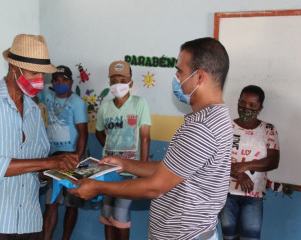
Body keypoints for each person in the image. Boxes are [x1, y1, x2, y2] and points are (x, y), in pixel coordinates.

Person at [70, 37, 233, 240]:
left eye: (180, 71)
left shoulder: (202, 127)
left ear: (200, 76)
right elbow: (171, 168)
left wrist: (98, 187)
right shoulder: (217, 116)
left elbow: (155, 186)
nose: (176, 76)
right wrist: (125, 165)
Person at [0, 34, 79, 239]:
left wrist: (61, 169)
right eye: (34, 73)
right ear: (14, 69)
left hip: (28, 222)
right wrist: (48, 161)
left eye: (42, 75)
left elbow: (37, 170)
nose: (39, 81)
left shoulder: (33, 111)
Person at [95, 60, 151, 240]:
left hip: (130, 170)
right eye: (114, 80)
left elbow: (145, 137)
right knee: (107, 214)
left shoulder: (139, 103)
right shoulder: (105, 107)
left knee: (121, 215)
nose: (118, 83)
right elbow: (98, 132)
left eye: (122, 79)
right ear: (109, 83)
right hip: (107, 169)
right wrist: (109, 150)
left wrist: (141, 169)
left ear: (130, 82)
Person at [220, 85, 280, 240]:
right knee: (229, 237)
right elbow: (218, 160)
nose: (246, 108)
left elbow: (273, 161)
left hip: (253, 195)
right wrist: (239, 175)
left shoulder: (268, 129)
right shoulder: (226, 127)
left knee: (251, 238)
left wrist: (244, 166)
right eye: (243, 102)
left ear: (260, 108)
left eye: (252, 105)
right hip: (227, 194)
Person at [37, 65, 88, 240]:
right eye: (56, 80)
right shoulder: (46, 96)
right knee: (51, 202)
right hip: (53, 157)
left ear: (71, 82)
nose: (60, 83)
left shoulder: (78, 103)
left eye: (64, 80)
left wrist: (77, 157)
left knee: (71, 203)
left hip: (73, 156)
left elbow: (83, 132)